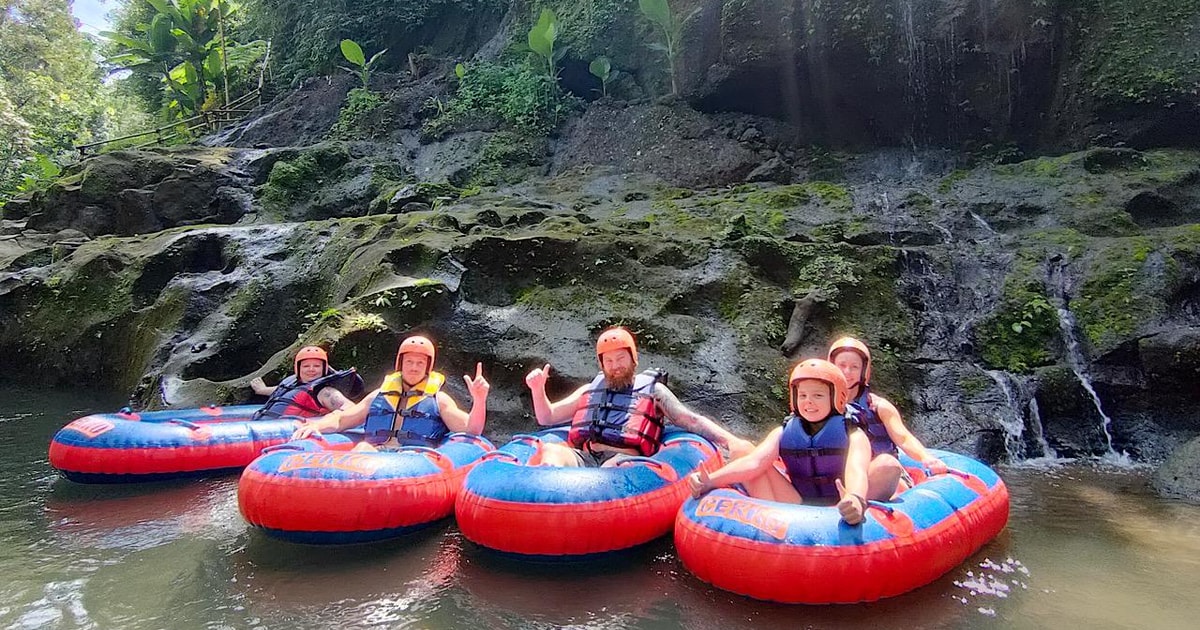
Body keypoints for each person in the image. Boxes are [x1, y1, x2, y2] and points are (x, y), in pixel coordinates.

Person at [523, 326, 754, 467]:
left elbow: (690, 420)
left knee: (612, 468)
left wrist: (731, 442)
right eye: (609, 361)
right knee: (552, 452)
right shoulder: (590, 390)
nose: (616, 366)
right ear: (602, 364)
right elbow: (548, 418)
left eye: (621, 359)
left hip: (623, 461)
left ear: (634, 359)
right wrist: (537, 389)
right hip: (585, 457)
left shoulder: (654, 392)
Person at [686, 359, 874, 525]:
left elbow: (857, 469)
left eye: (818, 395)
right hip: (795, 503)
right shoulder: (784, 431)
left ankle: (849, 507)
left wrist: (855, 498)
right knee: (743, 451)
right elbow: (755, 463)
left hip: (838, 505)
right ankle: (770, 528)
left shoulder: (853, 433)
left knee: (886, 465)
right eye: (803, 396)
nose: (808, 402)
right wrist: (710, 480)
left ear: (837, 399)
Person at [292, 335, 489, 450]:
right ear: (400, 364)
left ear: (428, 367)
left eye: (420, 363)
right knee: (362, 448)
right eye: (409, 362)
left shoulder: (440, 400)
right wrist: (318, 426)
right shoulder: (378, 395)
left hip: (413, 458)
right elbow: (342, 420)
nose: (414, 368)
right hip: (378, 451)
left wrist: (479, 400)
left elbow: (472, 430)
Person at [827, 336, 948, 494]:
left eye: (854, 367)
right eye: (842, 365)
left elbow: (903, 438)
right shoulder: (818, 407)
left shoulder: (878, 406)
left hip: (879, 473)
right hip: (840, 476)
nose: (847, 372)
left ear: (864, 371)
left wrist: (926, 458)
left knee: (889, 470)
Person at [248, 345, 363, 421]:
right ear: (298, 368)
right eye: (306, 366)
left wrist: (330, 420)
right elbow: (284, 392)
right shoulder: (292, 382)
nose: (311, 370)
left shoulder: (325, 392)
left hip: (285, 432)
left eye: (317, 366)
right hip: (262, 424)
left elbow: (352, 409)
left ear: (324, 369)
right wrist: (262, 390)